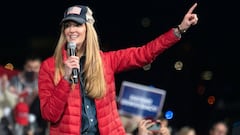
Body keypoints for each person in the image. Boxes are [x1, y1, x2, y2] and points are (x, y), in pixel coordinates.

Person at [38, 2, 198, 135]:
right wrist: (65, 80)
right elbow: (49, 115)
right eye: (67, 25)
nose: (71, 30)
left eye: (77, 25)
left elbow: (144, 53)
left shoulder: (106, 61)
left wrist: (179, 30)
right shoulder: (49, 66)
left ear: (88, 28)